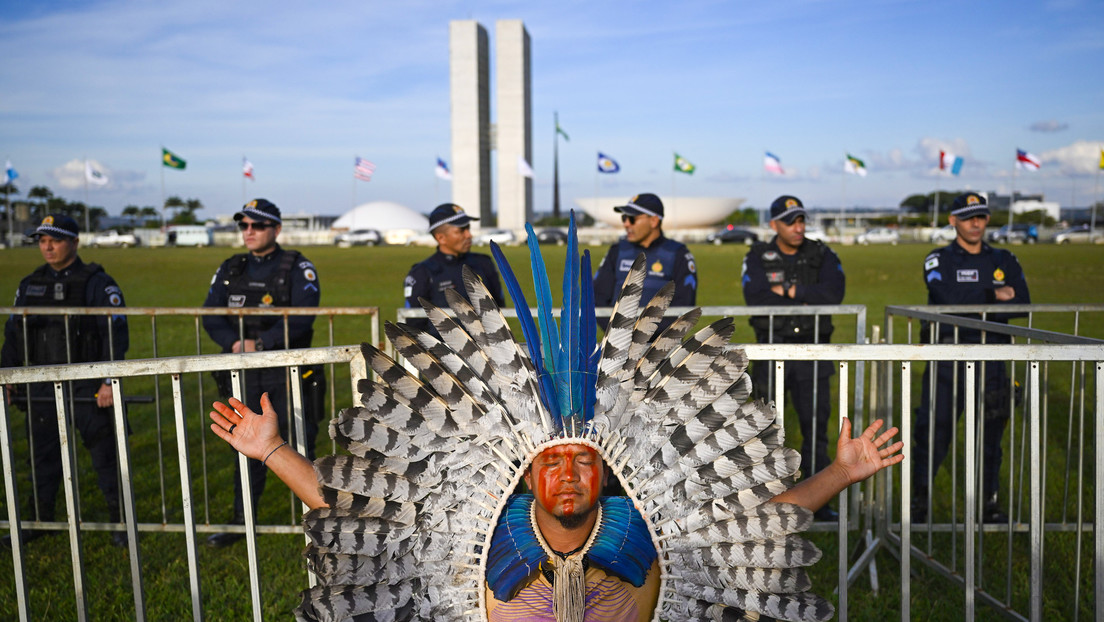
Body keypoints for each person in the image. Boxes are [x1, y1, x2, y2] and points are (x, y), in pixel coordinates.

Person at [205, 216, 904, 621]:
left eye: (581, 463)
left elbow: (753, 524)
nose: (568, 475)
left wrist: (840, 473)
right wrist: (271, 452)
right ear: (529, 474)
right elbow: (360, 513)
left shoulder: (647, 534)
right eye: (553, 464)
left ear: (605, 471)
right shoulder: (477, 537)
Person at [1, 214, 130, 548]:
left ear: (74, 242)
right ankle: (39, 521)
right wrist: (7, 375)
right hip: (43, 382)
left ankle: (120, 522)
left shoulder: (98, 282)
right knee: (42, 457)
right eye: (42, 240)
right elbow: (14, 332)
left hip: (87, 383)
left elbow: (115, 333)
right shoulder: (30, 283)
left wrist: (108, 379)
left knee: (105, 457)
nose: (47, 246)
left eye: (55, 240)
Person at [201, 198, 321, 547]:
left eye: (257, 225)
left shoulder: (298, 267)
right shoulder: (231, 268)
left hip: (289, 373)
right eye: (244, 225)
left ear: (276, 229)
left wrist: (262, 343)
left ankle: (317, 522)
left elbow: (302, 317)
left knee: (301, 443)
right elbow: (211, 314)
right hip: (244, 373)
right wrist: (237, 345)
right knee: (245, 445)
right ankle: (241, 523)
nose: (249, 232)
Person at [913, 192, 1030, 524]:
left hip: (992, 358)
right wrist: (994, 294)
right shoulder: (938, 259)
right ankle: (919, 504)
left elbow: (1022, 302)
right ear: (953, 221)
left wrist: (977, 298)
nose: (976, 223)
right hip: (947, 358)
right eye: (967, 217)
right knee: (934, 432)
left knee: (991, 434)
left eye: (981, 216)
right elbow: (945, 296)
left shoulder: (1004, 259)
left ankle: (988, 504)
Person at [742, 195, 845, 521]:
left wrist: (788, 292)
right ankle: (768, 502)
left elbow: (833, 294)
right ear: (774, 225)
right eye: (790, 221)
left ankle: (820, 501)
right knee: (765, 430)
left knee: (816, 428)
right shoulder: (758, 255)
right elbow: (754, 296)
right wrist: (803, 295)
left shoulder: (822, 254)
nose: (798, 227)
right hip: (771, 351)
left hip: (813, 353)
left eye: (801, 220)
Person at [593, 193, 697, 332]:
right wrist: (618, 335)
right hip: (617, 345)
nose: (626, 224)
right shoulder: (616, 251)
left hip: (659, 348)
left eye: (631, 218)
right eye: (624, 218)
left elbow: (684, 305)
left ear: (654, 221)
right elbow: (597, 297)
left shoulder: (679, 254)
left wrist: (644, 336)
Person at [403, 203, 504, 333]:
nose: (469, 235)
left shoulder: (484, 264)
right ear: (441, 238)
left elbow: (500, 309)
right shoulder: (421, 273)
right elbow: (414, 323)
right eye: (461, 230)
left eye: (468, 228)